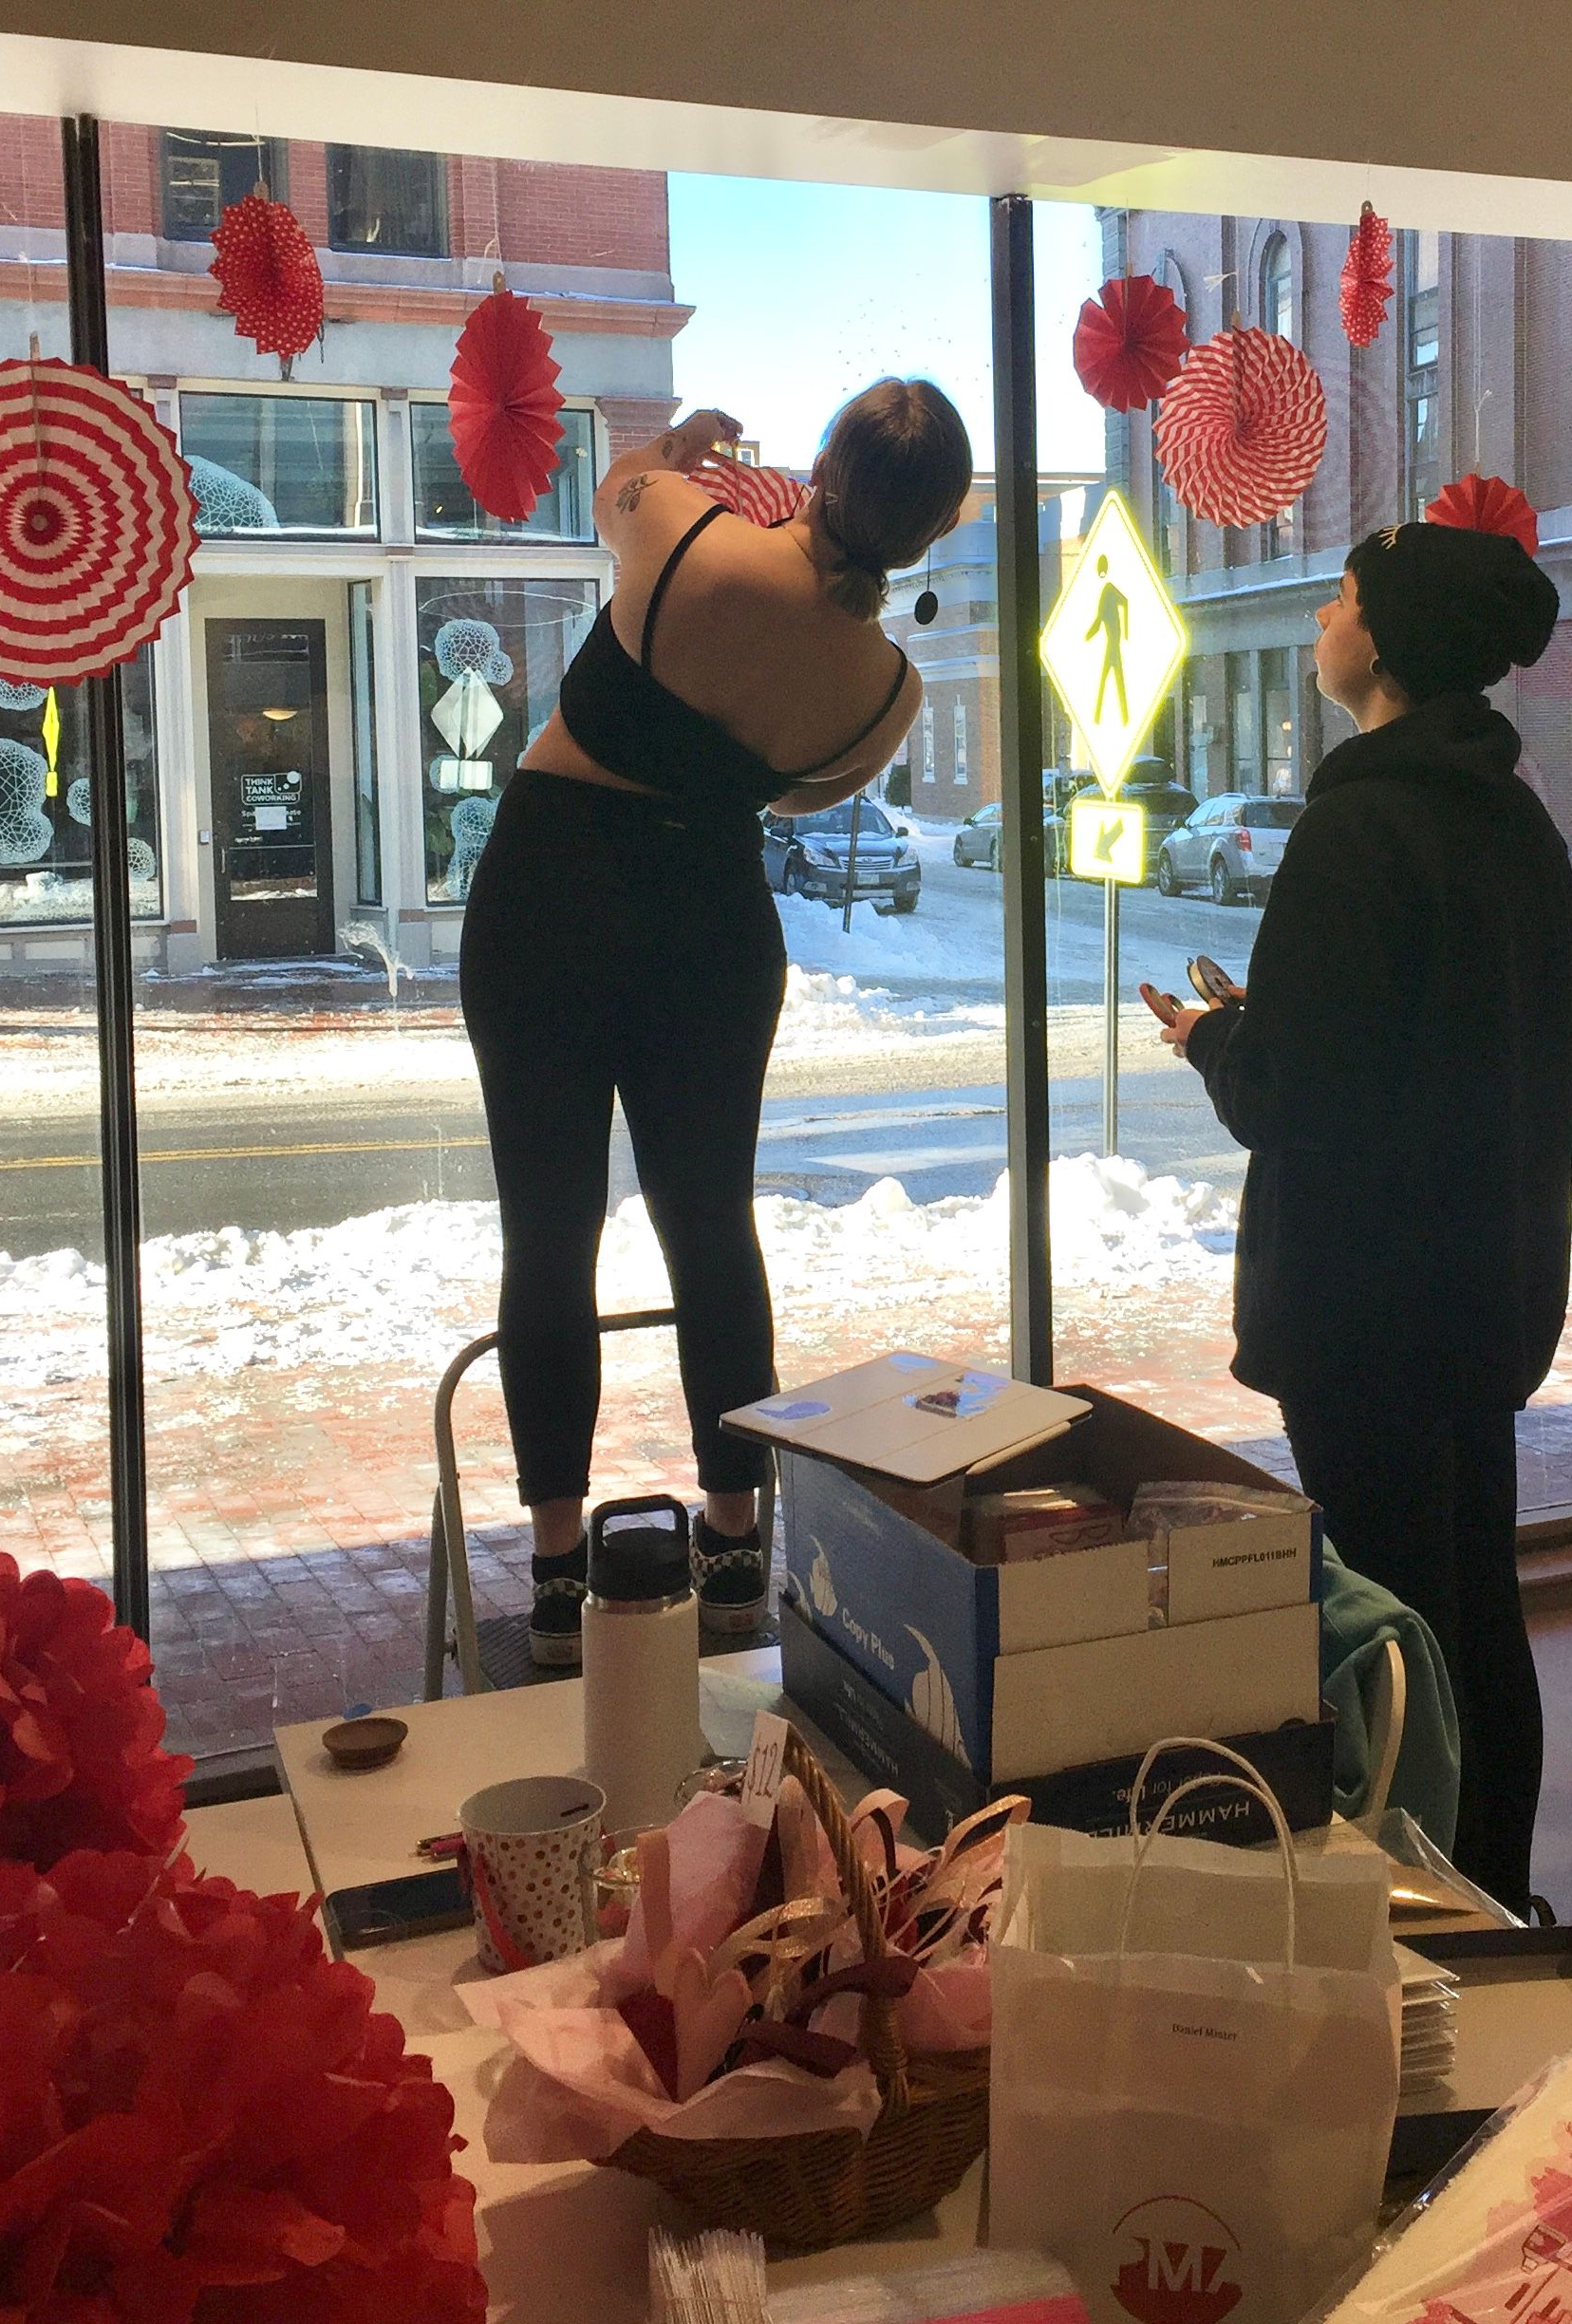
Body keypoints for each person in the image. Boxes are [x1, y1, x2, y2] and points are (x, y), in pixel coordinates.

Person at [461, 380, 972, 1662]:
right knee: (712, 1224)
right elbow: (795, 798)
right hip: (711, 923)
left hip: (551, 893)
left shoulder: (691, 537)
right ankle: (736, 1538)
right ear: (933, 528)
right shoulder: (888, 690)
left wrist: (679, 451)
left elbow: (618, 486)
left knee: (548, 1231)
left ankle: (560, 1568)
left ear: (819, 462)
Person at [1161, 520, 1572, 1914]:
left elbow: (1298, 1094)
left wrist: (1220, 1038)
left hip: (1363, 1310)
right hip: (1485, 1296)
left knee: (1391, 1637)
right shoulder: (1511, 818)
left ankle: (1421, 1919)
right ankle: (1499, 1893)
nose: (1323, 618)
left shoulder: (1358, 822)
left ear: (1386, 644)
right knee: (1476, 1608)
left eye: (1343, 598)